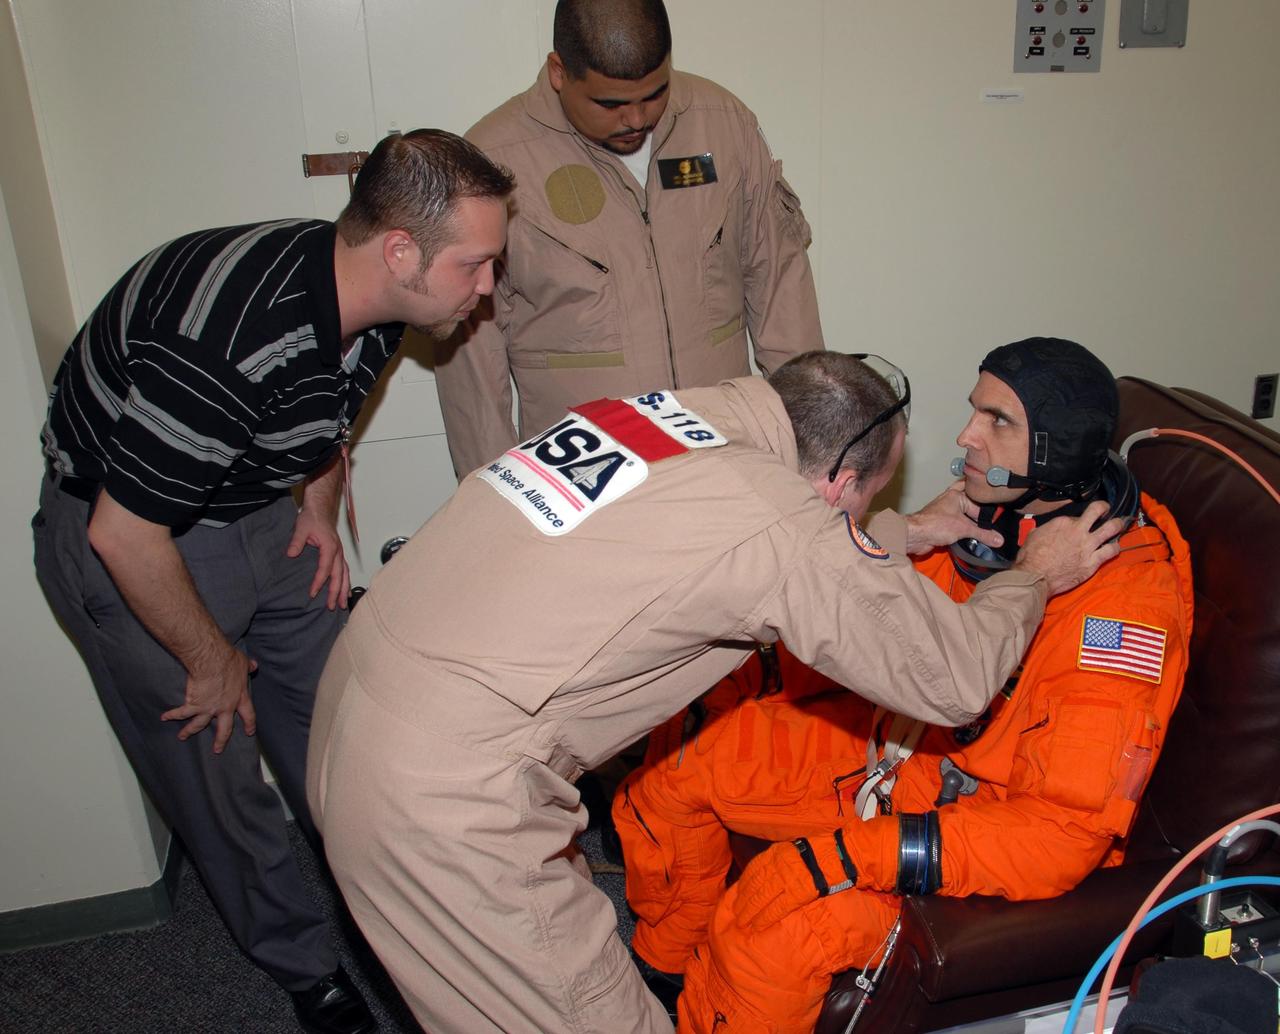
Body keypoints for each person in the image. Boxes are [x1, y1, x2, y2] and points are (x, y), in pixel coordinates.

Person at [305, 349, 1125, 1034]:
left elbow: (726, 538)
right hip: (442, 801)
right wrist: (1032, 578)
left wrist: (898, 531)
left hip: (355, 708)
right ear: (837, 481)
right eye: (867, 499)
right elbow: (952, 678)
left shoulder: (655, 415)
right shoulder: (776, 522)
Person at [32, 129, 513, 1034]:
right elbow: (123, 534)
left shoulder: (380, 295)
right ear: (400, 250)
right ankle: (306, 969)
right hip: (136, 537)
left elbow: (328, 413)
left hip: (249, 505)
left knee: (344, 723)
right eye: (476, 264)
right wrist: (212, 660)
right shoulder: (229, 340)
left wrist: (320, 512)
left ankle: (391, 913)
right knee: (219, 770)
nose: (488, 288)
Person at [612, 338, 1194, 1033]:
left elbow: (1060, 833)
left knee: (774, 915)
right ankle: (664, 976)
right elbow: (873, 627)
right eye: (976, 410)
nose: (965, 435)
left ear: (1054, 452)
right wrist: (913, 532)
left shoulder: (1121, 610)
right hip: (888, 751)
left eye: (996, 421)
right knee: (670, 775)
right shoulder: (994, 520)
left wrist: (851, 854)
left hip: (967, 834)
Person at [433, 0, 825, 479]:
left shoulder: (723, 125)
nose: (637, 119)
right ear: (559, 72)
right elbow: (472, 366)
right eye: (611, 104)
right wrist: (496, 495)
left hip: (728, 458)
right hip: (588, 479)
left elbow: (780, 285)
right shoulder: (494, 161)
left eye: (655, 93)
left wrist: (814, 446)